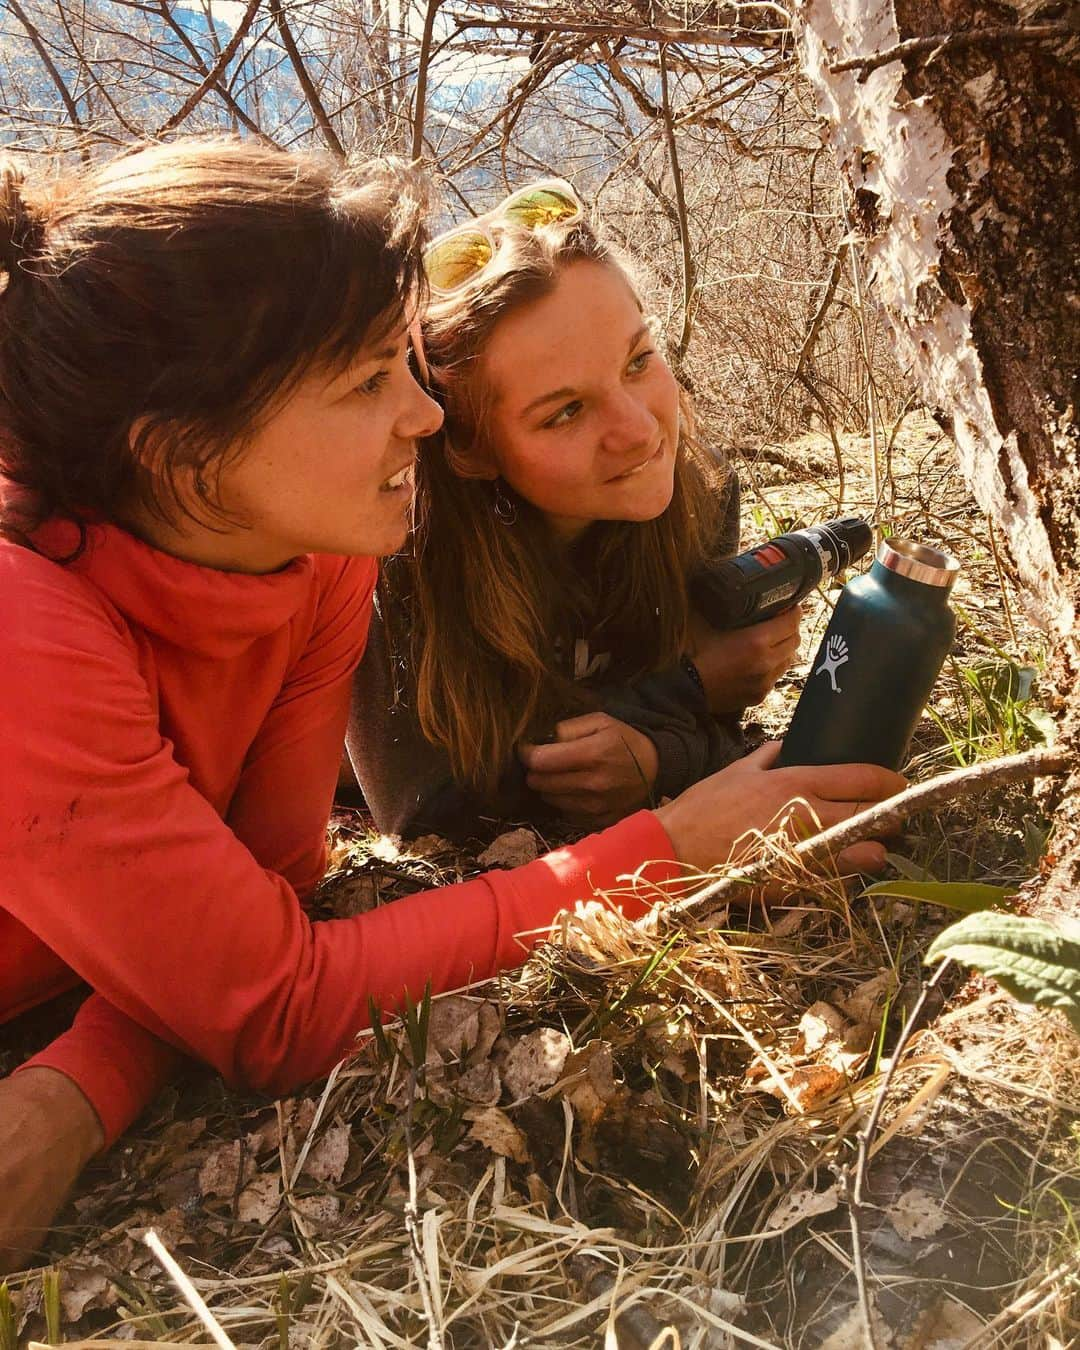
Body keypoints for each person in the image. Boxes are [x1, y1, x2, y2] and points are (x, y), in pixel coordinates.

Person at [0, 140, 903, 1272]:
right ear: (185, 461)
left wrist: (73, 1083)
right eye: (368, 383)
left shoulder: (316, 564)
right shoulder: (20, 621)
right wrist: (675, 848)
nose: (426, 419)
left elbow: (268, 906)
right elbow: (279, 1007)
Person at [348, 182, 804, 839]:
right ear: (472, 449)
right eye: (565, 412)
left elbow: (717, 738)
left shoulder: (700, 492)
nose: (640, 432)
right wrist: (689, 687)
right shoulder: (395, 557)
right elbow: (421, 811)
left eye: (638, 361)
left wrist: (659, 751)